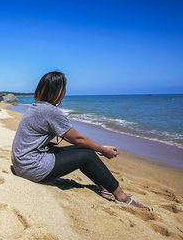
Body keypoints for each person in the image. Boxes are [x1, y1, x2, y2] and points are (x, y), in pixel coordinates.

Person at [11, 71, 145, 208]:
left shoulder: (37, 106)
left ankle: (105, 187)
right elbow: (77, 139)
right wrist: (103, 150)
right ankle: (122, 197)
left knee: (85, 150)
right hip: (31, 167)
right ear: (58, 92)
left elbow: (77, 141)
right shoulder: (50, 111)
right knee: (86, 154)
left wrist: (97, 147)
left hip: (21, 163)